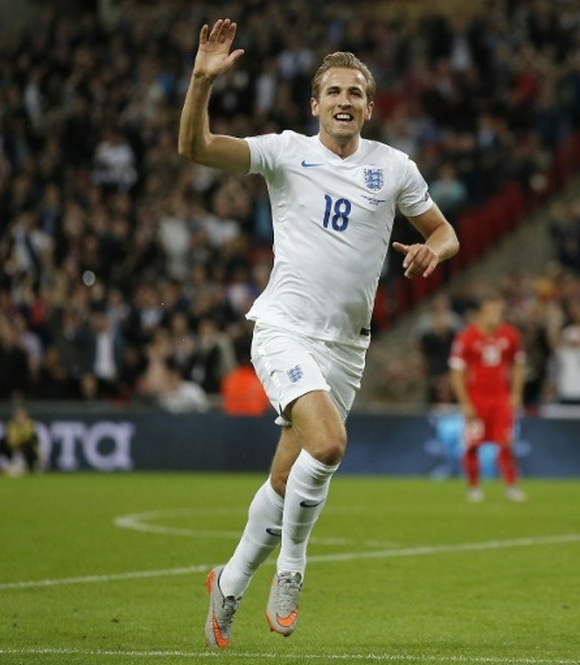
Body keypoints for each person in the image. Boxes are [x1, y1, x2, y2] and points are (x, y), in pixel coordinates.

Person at [179, 18, 459, 649]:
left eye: (355, 93)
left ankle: (229, 579)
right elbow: (195, 150)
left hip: (346, 346)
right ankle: (294, 567)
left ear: (368, 105)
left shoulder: (393, 168)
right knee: (328, 446)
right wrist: (200, 81)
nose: (343, 101)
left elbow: (446, 231)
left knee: (286, 480)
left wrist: (433, 251)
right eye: (333, 91)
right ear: (315, 104)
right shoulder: (284, 151)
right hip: (283, 328)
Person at [448, 293, 527, 503]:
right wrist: (465, 402)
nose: (496, 315)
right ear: (481, 313)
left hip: (501, 399)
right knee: (473, 444)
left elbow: (518, 366)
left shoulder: (510, 335)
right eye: (492, 311)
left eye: (499, 311)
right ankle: (473, 488)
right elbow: (457, 373)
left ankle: (511, 486)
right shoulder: (467, 337)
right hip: (476, 399)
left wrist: (516, 393)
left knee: (506, 442)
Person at [0, 404, 44, 476]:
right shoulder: (10, 425)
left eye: (22, 416)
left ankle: (29, 467)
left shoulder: (32, 426)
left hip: (28, 454)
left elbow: (34, 444)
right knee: (2, 445)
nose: (20, 418)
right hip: (13, 453)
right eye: (18, 416)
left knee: (28, 446)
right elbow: (11, 442)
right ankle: (10, 467)